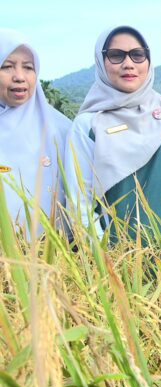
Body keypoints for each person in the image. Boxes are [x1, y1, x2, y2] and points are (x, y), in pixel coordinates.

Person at [65, 26, 161, 244]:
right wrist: (103, 258)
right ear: (101, 62)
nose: (128, 64)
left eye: (137, 55)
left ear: (148, 60)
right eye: (116, 55)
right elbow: (80, 204)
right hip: (126, 258)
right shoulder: (88, 125)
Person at [0, 29, 71, 236]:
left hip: (55, 250)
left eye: (28, 67)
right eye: (7, 66)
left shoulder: (62, 130)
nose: (19, 77)